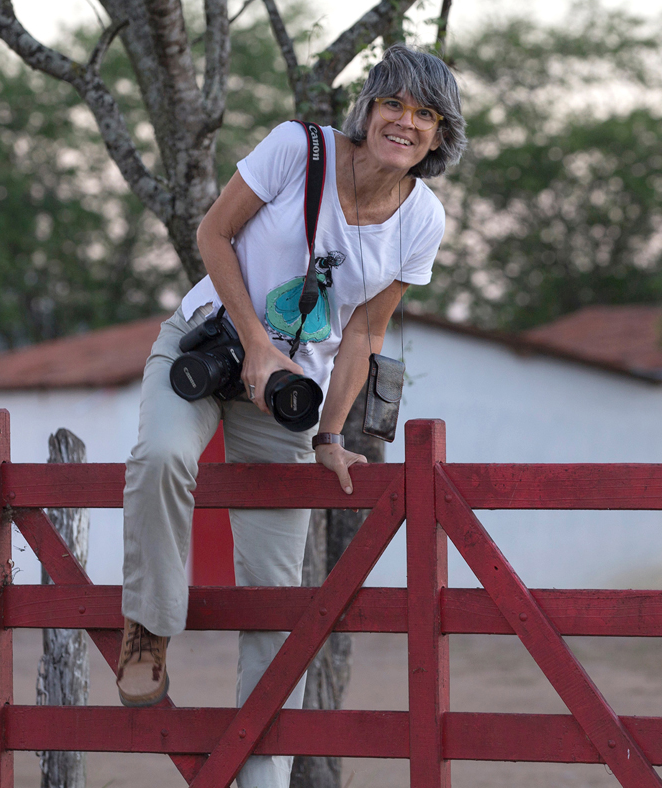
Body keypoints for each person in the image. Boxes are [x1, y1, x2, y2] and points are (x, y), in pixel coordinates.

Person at [116, 44, 465, 788]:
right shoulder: (293, 148)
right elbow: (213, 235)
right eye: (394, 104)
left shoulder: (421, 219)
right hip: (207, 346)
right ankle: (147, 628)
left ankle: (262, 778)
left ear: (438, 137)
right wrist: (253, 346)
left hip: (288, 395)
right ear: (367, 108)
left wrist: (332, 435)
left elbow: (365, 334)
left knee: (276, 594)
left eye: (425, 115)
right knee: (162, 460)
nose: (405, 122)